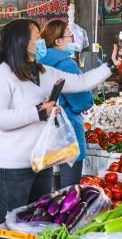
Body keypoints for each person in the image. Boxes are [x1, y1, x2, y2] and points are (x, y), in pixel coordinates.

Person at [0, 19, 122, 230]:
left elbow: (80, 82)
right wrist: (38, 112)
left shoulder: (43, 72)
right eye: (37, 36)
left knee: (38, 222)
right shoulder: (2, 75)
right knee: (9, 226)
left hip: (42, 160)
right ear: (21, 41)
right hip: (14, 165)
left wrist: (110, 66)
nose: (42, 40)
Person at [39, 19, 94, 189]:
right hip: (67, 132)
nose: (74, 40)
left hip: (41, 133)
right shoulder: (66, 64)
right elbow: (83, 101)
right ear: (58, 41)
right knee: (69, 191)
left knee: (47, 192)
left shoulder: (35, 62)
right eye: (70, 36)